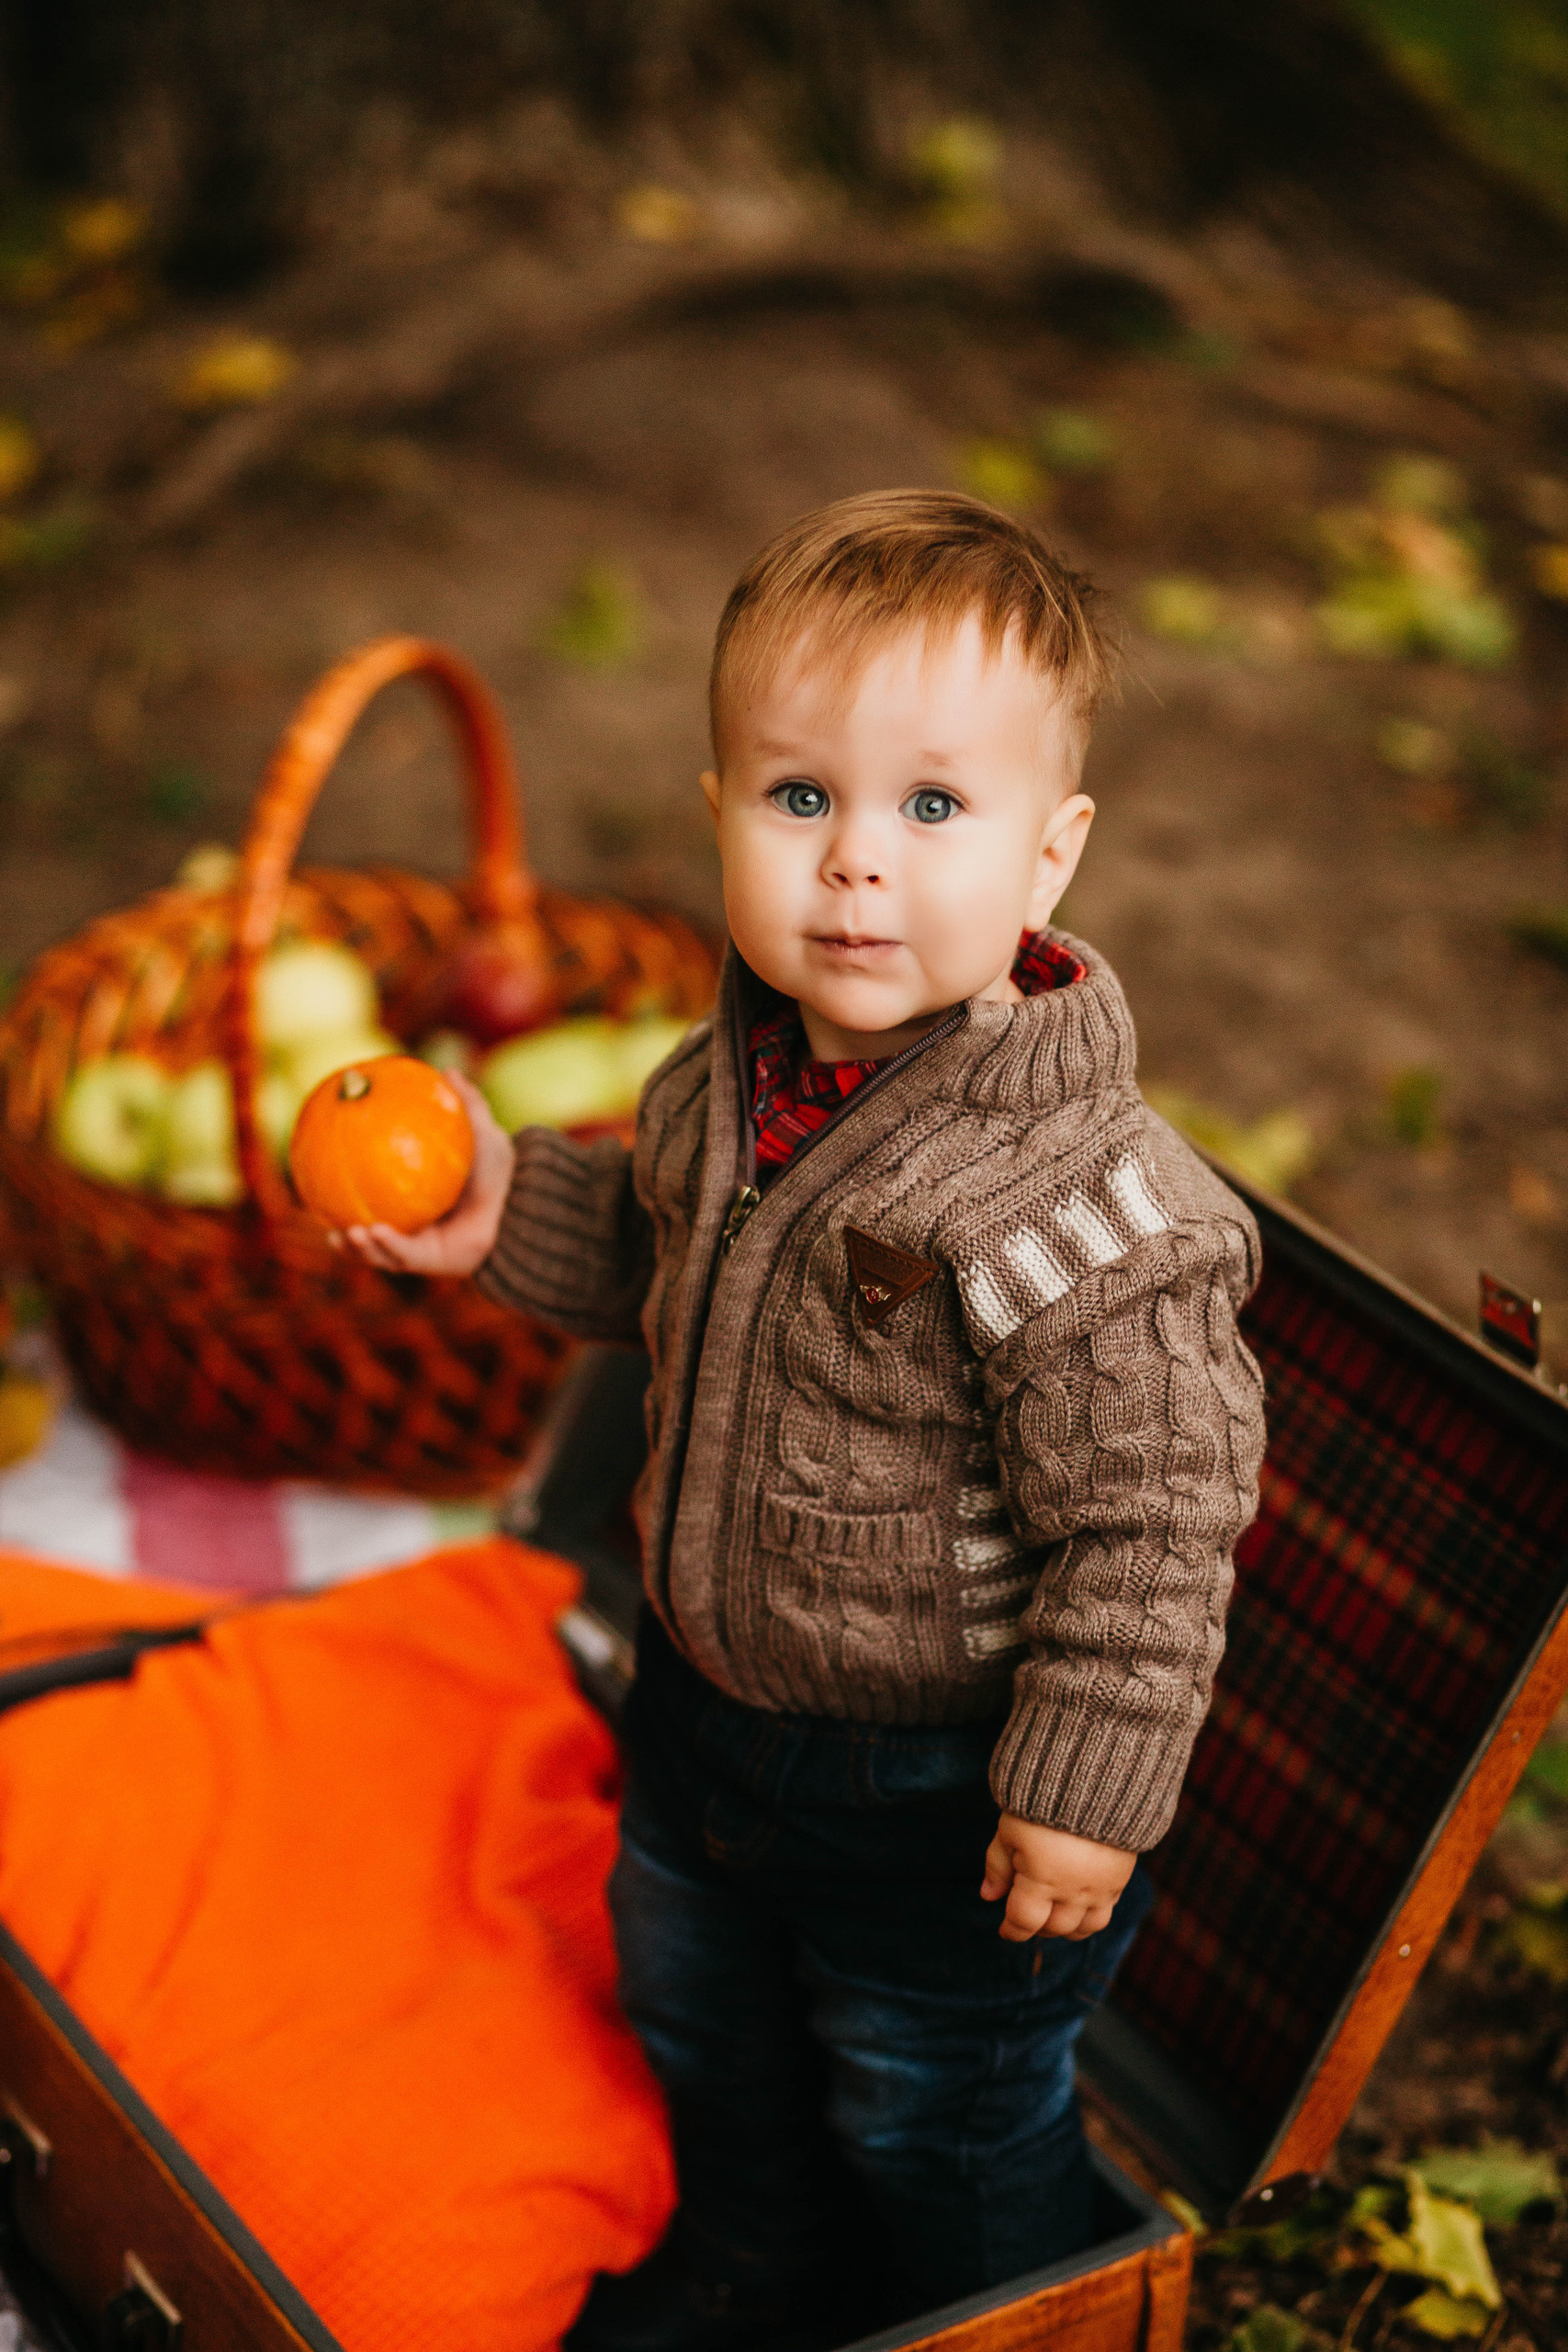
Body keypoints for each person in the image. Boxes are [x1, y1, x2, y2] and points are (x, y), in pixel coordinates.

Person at [347, 489, 1267, 2349]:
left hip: (937, 1799)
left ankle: (988, 2319)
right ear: (717, 814)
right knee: (708, 2028)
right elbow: (652, 1247)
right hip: (701, 1724)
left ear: (1049, 854)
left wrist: (1077, 1796)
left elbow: (1153, 1517)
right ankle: (764, 2262)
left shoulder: (1078, 1206)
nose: (855, 864)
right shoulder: (728, 1076)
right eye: (798, 798)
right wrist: (491, 1212)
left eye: (931, 807)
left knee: (929, 2113)